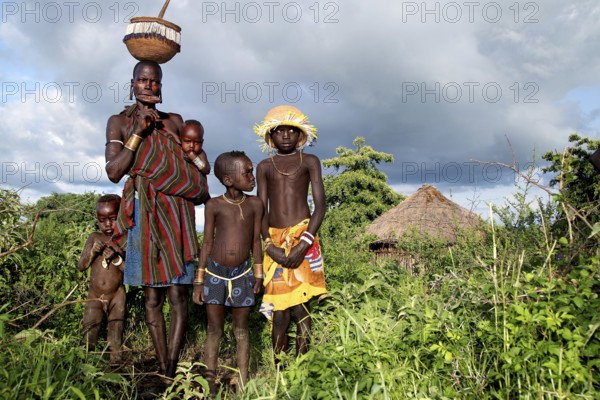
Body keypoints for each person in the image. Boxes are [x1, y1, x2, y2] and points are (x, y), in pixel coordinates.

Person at [105, 60, 209, 378]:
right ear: (132, 83)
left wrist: (197, 172)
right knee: (152, 294)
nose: (150, 86)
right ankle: (163, 366)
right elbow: (113, 171)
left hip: (177, 215)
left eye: (155, 81)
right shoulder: (119, 122)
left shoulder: (175, 122)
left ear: (161, 86)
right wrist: (137, 133)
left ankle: (174, 365)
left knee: (178, 293)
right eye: (143, 80)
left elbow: (195, 165)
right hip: (145, 214)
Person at [254, 105, 327, 362]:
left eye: (291, 131)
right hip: (274, 239)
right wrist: (268, 245)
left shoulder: (309, 161)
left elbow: (321, 206)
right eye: (279, 131)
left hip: (303, 237)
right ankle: (279, 371)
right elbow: (260, 208)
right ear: (270, 137)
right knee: (280, 311)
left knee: (301, 309)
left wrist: (304, 244)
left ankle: (301, 369)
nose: (285, 135)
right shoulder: (264, 166)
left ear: (300, 135)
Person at [192, 151, 264, 393]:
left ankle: (243, 385)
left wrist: (259, 274)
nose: (252, 177)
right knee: (214, 330)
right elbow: (208, 243)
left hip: (243, 275)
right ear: (228, 179)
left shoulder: (255, 204)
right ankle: (210, 386)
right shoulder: (214, 205)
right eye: (247, 172)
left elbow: (256, 242)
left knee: (241, 331)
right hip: (215, 275)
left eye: (252, 171)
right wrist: (199, 280)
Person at [77, 194, 126, 363]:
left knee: (115, 335)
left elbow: (131, 271)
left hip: (117, 296)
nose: (107, 224)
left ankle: (116, 369)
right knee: (89, 332)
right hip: (95, 295)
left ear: (121, 216)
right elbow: (82, 265)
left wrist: (117, 259)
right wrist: (93, 253)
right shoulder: (94, 237)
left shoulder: (125, 239)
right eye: (102, 220)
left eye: (112, 219)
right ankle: (84, 368)